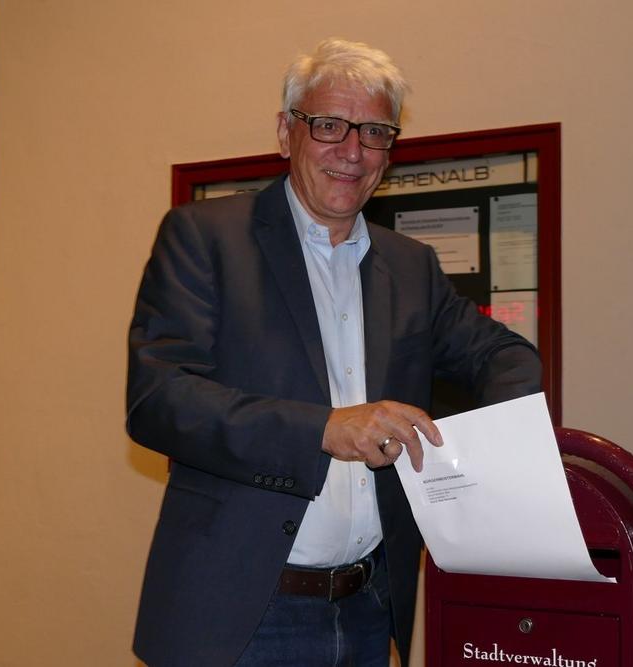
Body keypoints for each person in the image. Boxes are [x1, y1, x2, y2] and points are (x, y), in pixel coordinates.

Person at [126, 38, 542, 667]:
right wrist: (322, 429)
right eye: (329, 125)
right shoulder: (205, 238)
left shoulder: (410, 266)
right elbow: (159, 400)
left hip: (369, 609)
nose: (352, 151)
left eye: (374, 132)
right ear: (285, 132)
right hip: (240, 614)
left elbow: (505, 355)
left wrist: (490, 450)